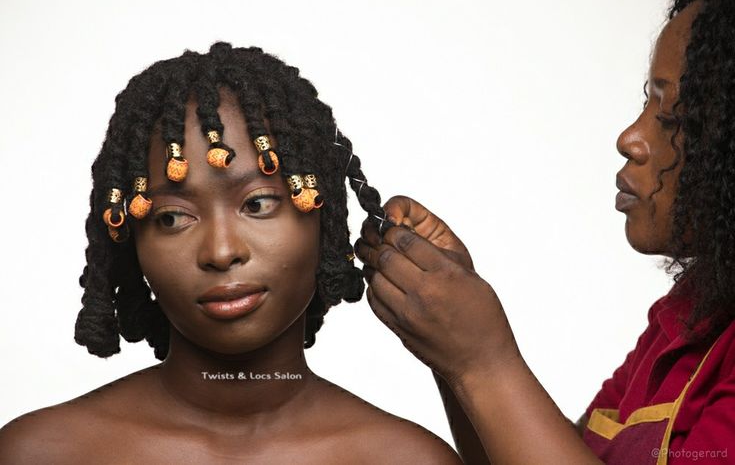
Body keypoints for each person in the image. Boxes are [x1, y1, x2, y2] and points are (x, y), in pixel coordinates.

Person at [0, 43, 461, 464]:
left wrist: (473, 360)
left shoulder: (405, 459)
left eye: (258, 203)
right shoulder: (42, 452)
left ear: (325, 217)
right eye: (171, 218)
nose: (221, 253)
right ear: (130, 241)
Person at [356, 0, 735, 463]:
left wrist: (482, 361)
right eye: (647, 103)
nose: (630, 138)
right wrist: (453, 351)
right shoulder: (683, 320)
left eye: (670, 118)